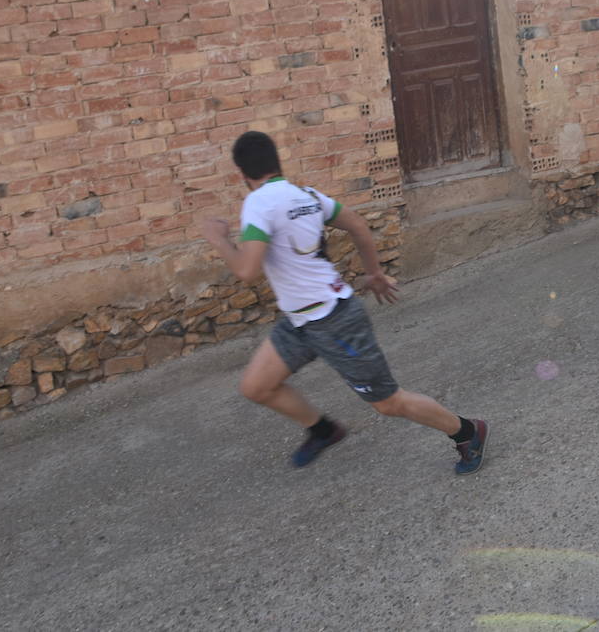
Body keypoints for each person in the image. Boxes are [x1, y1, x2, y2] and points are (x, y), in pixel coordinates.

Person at [201, 131, 488, 472]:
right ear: (277, 163)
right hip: (301, 321)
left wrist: (219, 240)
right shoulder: (304, 194)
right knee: (256, 386)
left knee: (388, 403)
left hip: (335, 322)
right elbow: (356, 225)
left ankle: (468, 432)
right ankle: (324, 431)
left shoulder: (259, 203)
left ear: (242, 175)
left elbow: (247, 270)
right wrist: (374, 273)